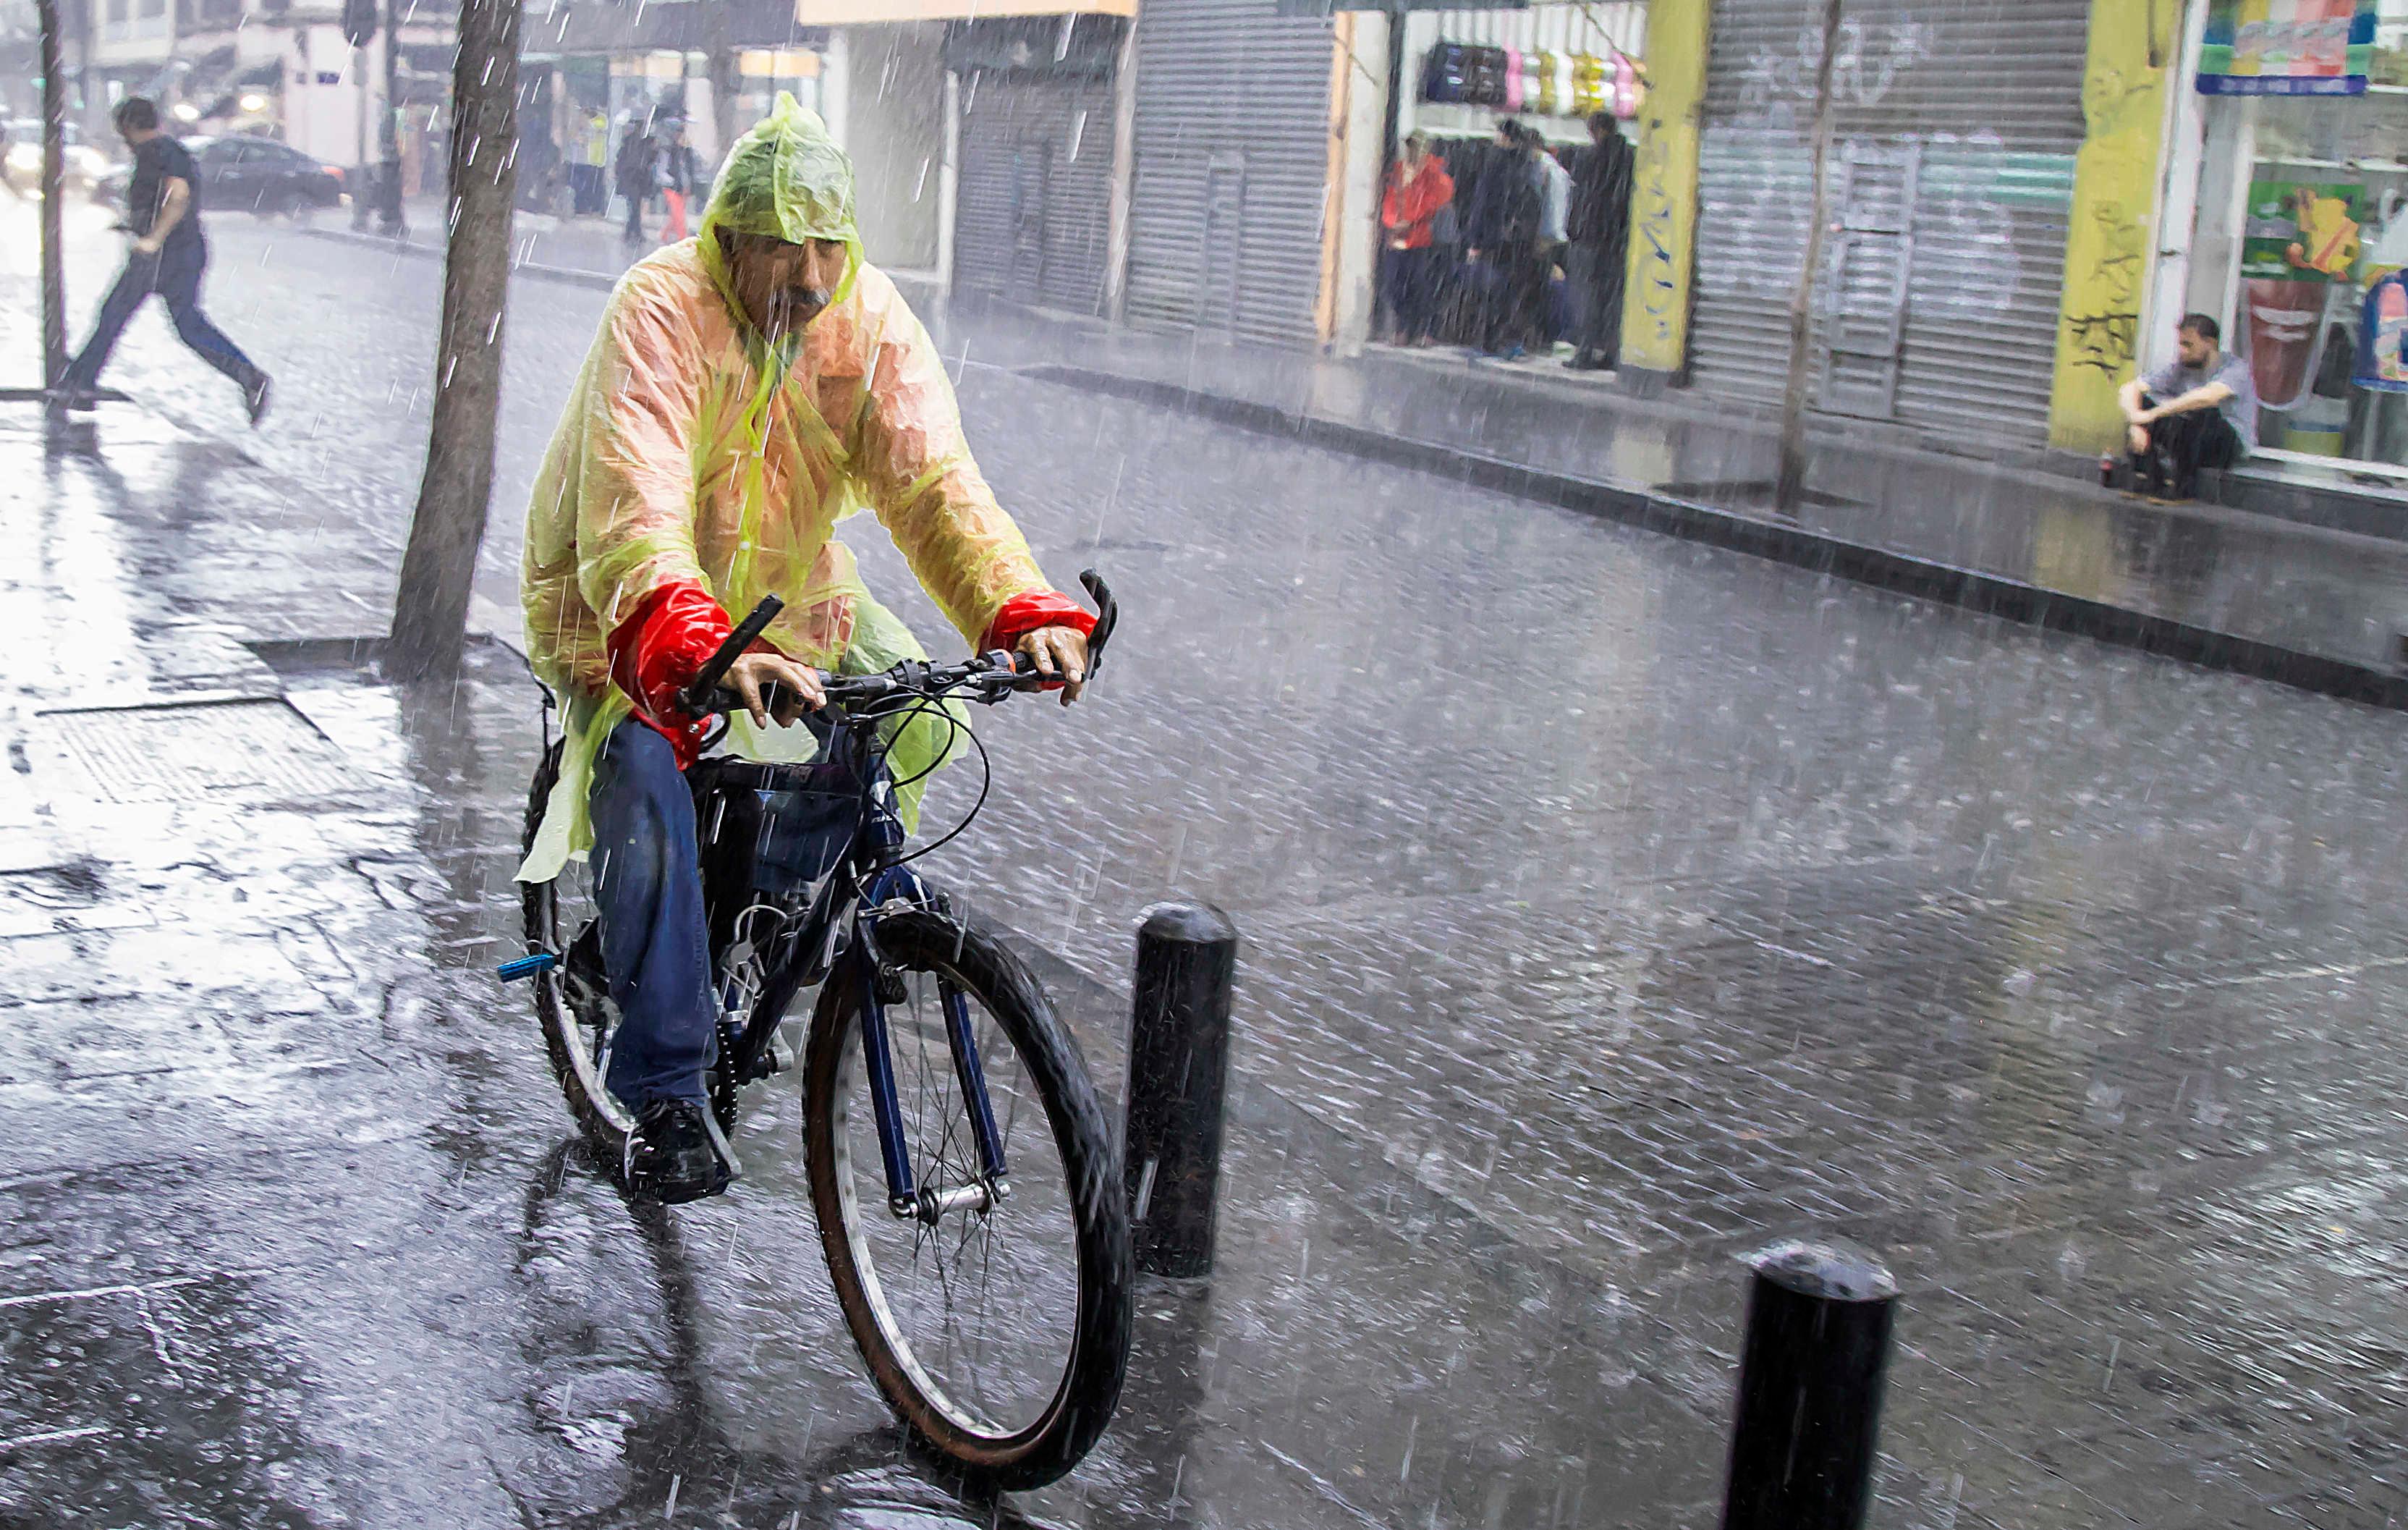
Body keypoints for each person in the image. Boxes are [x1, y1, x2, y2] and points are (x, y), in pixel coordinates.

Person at [517, 96, 1098, 1203]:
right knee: (644, 772)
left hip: (784, 590)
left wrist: (1020, 610)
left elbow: (933, 484)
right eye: (783, 251)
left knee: (914, 715)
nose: (811, 278)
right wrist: (689, 634)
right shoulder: (661, 308)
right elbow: (635, 503)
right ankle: (668, 1088)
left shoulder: (864, 322)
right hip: (621, 599)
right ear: (729, 239)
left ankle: (756, 910)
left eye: (828, 247)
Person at [56, 98, 270, 424]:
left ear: (128, 126)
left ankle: (79, 383)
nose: (122, 138)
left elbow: (178, 196)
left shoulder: (159, 151)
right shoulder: (164, 151)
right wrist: (137, 227)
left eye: (121, 130)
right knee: (185, 324)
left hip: (165, 255)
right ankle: (248, 376)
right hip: (180, 251)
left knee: (115, 314)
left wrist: (154, 238)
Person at [2120, 313, 2258, 499]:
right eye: (2180, 344)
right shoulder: (2181, 368)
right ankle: (2149, 480)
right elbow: (2131, 388)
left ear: (2210, 343)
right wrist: (2136, 421)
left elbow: (2209, 397)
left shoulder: (2235, 368)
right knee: (2142, 402)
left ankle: (2184, 488)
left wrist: (2153, 415)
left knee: (2199, 410)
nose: (2182, 351)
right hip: (2191, 439)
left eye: (2188, 345)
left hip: (2228, 446)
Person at [1464, 120, 1546, 360]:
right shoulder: (1528, 165)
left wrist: (1476, 241)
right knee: (1511, 293)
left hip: (1494, 240)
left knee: (1490, 291)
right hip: (1518, 241)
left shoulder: (1495, 164)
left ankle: (1488, 339)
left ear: (1505, 138)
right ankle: (1507, 339)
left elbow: (1482, 204)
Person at [1565, 111, 1633, 371]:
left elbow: (1583, 199)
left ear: (1597, 130)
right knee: (1613, 299)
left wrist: (1575, 230)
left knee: (1586, 298)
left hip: (1590, 238)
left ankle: (1585, 351)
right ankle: (1611, 353)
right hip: (1619, 241)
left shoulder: (1589, 158)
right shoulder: (1631, 158)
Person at [1379, 132, 1454, 346]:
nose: (1414, 152)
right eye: (1411, 147)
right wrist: (1392, 222)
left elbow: (1434, 203)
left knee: (1421, 287)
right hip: (1397, 239)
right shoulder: (1398, 172)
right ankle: (1404, 327)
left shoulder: (1435, 175)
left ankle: (1425, 331)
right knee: (1394, 286)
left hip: (1422, 240)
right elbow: (1389, 200)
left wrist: (1411, 221)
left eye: (1418, 148)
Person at [616, 118, 657, 245]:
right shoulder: (630, 141)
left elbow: (651, 159)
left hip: (640, 178)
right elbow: (622, 158)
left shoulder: (648, 142)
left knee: (635, 206)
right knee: (634, 205)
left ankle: (632, 231)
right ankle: (634, 232)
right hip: (631, 177)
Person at [658, 121, 698, 243]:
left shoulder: (687, 151)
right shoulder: (669, 150)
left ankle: (664, 234)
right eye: (679, 133)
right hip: (672, 188)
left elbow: (689, 170)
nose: (681, 136)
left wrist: (688, 185)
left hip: (683, 188)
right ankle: (683, 239)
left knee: (676, 214)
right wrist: (672, 181)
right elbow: (662, 171)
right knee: (679, 215)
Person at [575, 107, 609, 216]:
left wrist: (584, 125)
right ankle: (588, 207)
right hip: (589, 160)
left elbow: (595, 130)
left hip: (598, 160)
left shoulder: (601, 120)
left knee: (595, 185)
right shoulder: (591, 122)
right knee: (589, 185)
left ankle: (595, 207)